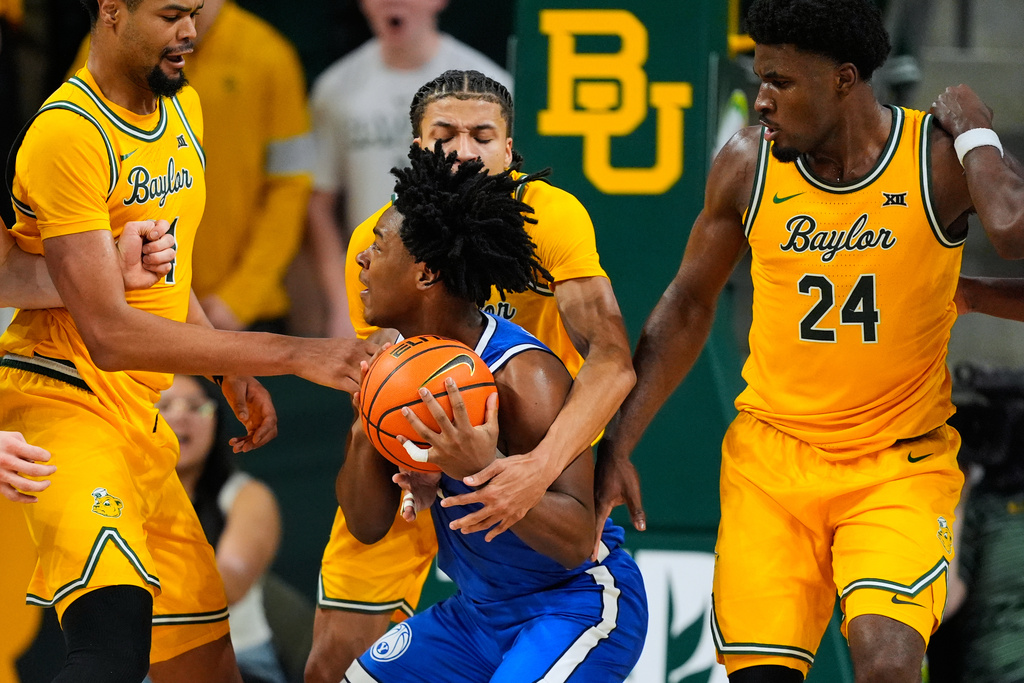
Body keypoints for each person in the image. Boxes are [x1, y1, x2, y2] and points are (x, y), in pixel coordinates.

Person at [596, 0, 1024, 680]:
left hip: (896, 464)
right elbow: (686, 304)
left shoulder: (934, 159)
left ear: (844, 80)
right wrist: (617, 439)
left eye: (779, 83)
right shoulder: (746, 163)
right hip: (774, 464)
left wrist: (975, 145)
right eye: (758, 81)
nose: (760, 101)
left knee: (888, 663)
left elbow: (1014, 230)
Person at [0, 1, 375, 680]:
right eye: (173, 13)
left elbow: (169, 281)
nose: (192, 33)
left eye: (195, 13)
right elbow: (110, 332)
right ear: (112, 11)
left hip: (141, 417)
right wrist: (298, 353)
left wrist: (224, 368)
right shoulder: (67, 134)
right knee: (110, 642)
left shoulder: (184, 110)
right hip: (64, 403)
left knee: (207, 667)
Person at [304, 70, 639, 682]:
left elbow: (611, 359)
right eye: (444, 135)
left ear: (510, 151)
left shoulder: (550, 227)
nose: (463, 152)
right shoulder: (390, 243)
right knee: (332, 664)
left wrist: (549, 465)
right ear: (414, 150)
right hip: (441, 450)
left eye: (482, 136)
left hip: (534, 450)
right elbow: (382, 426)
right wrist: (377, 438)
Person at [66, 0, 314, 331]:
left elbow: (290, 189)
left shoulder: (269, 56)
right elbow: (76, 164)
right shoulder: (110, 47)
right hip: (134, 305)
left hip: (240, 314)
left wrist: (239, 299)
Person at [306, 0, 512, 337]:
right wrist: (340, 302)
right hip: (376, 281)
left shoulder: (488, 86)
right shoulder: (336, 90)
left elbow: (506, 190)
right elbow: (319, 203)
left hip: (464, 287)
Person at [161, 375, 287, 683]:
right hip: (140, 665)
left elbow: (226, 586)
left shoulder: (247, 496)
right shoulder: (119, 497)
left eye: (196, 407)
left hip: (240, 662)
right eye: (164, 406)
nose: (181, 416)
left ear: (217, 420)